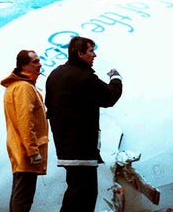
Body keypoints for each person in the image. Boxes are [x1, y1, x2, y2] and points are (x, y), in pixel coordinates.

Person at [45, 36, 123, 212]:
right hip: (82, 147)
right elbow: (110, 97)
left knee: (74, 190)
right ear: (80, 53)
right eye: (91, 51)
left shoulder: (55, 74)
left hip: (64, 147)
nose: (94, 55)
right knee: (85, 195)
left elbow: (48, 104)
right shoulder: (84, 77)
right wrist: (116, 78)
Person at [0, 50, 49, 212]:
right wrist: (33, 151)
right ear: (24, 66)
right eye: (35, 62)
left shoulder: (17, 86)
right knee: (23, 197)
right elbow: (25, 121)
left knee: (21, 193)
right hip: (26, 151)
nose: (39, 64)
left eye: (39, 60)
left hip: (21, 149)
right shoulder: (24, 88)